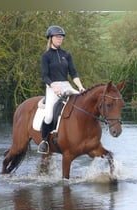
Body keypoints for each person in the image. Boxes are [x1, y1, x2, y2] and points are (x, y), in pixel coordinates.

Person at [38, 25, 85, 154]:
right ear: (51, 38)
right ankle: (44, 141)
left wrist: (80, 87)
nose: (60, 39)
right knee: (49, 116)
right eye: (57, 37)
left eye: (61, 37)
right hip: (52, 86)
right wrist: (54, 87)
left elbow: (73, 73)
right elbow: (45, 76)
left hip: (66, 85)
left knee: (83, 104)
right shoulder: (46, 56)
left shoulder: (66, 55)